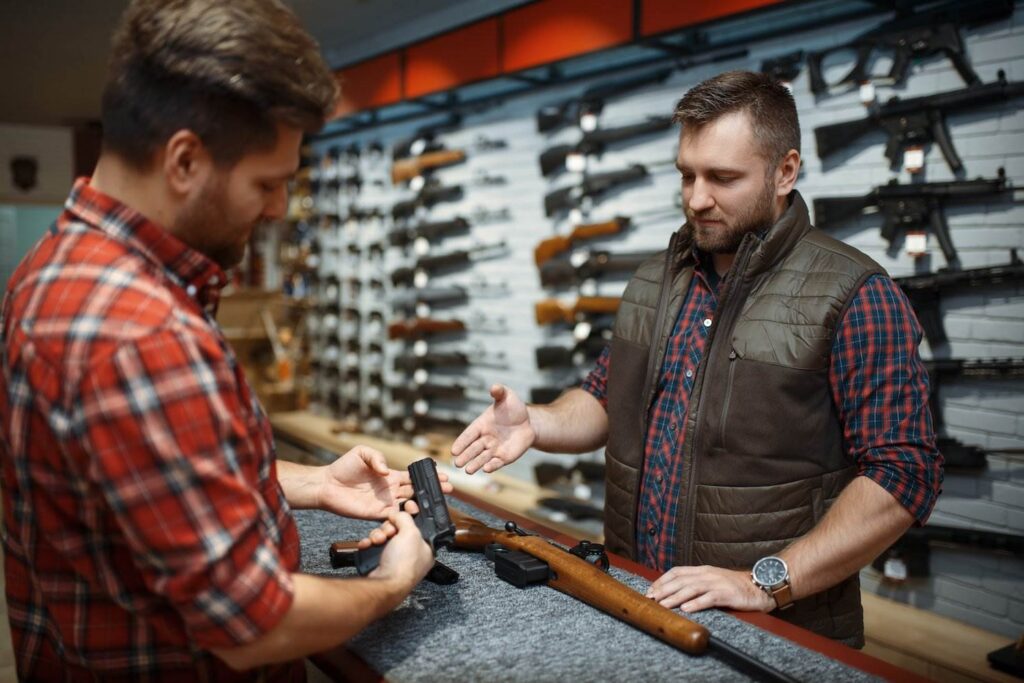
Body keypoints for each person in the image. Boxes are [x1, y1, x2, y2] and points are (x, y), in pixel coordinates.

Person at [0, 1, 442, 680]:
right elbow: (253, 623)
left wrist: (317, 482)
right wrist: (392, 583)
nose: (276, 210)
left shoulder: (55, 268)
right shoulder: (144, 335)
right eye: (267, 184)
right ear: (184, 160)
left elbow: (150, 485)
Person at [452, 70, 943, 647]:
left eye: (722, 178)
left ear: (786, 171)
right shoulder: (653, 280)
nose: (696, 198)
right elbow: (607, 399)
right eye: (687, 175)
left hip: (774, 631)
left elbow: (903, 473)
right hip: (635, 602)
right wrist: (536, 422)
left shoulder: (855, 293)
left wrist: (767, 581)